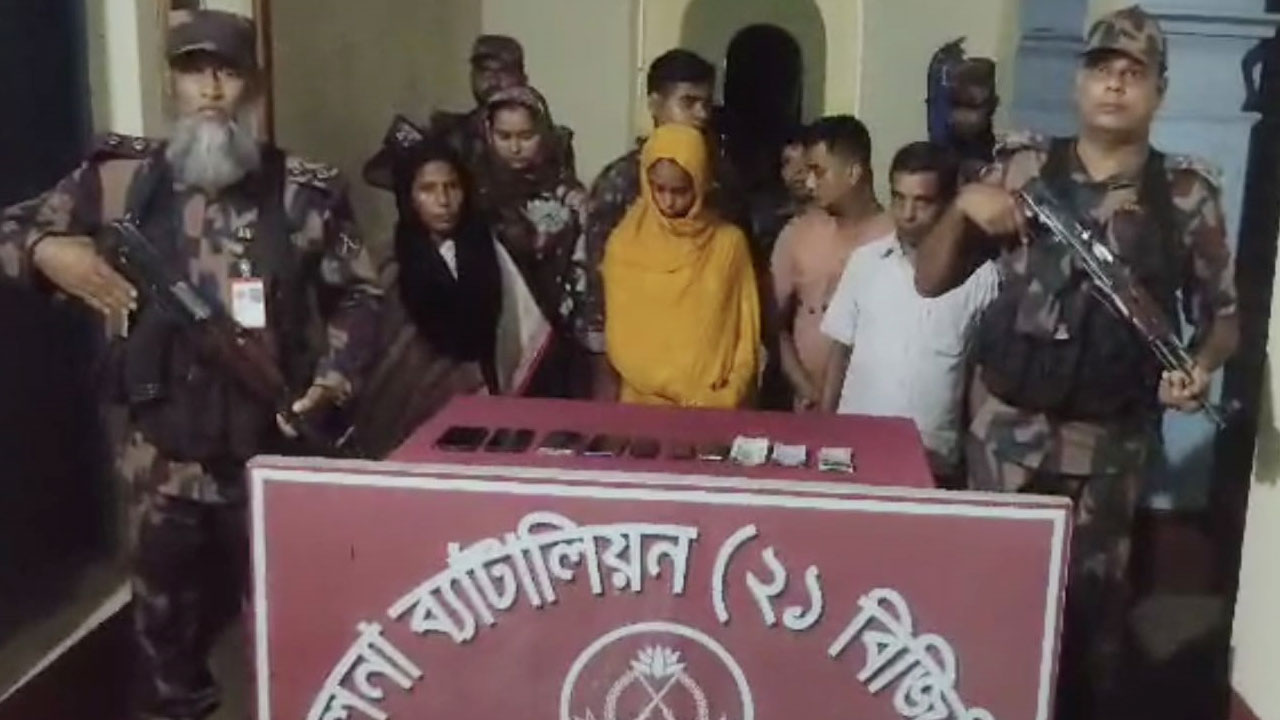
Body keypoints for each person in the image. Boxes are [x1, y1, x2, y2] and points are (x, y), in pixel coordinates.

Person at [0, 10, 382, 719]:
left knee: (290, 620)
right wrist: (49, 252)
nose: (210, 88)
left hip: (269, 445)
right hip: (158, 453)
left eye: (227, 72)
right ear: (170, 83)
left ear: (251, 85)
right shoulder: (119, 182)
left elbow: (358, 295)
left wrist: (334, 379)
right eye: (192, 70)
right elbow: (13, 227)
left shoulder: (302, 190)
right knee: (163, 628)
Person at [913, 6, 1238, 717]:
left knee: (1092, 634)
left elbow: (1223, 319)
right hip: (1004, 439)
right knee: (987, 609)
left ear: (1159, 91)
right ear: (1078, 82)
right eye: (1101, 69)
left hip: (1108, 451)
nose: (1115, 85)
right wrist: (964, 205)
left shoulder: (1186, 196)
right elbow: (929, 281)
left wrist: (1201, 365)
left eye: (1133, 73)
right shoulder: (1021, 168)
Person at [347, 119, 548, 458]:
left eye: (452, 187)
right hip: (400, 418)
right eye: (427, 189)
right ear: (408, 196)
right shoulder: (385, 262)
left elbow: (516, 335)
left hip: (479, 418)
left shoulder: (489, 253)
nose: (443, 200)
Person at [820, 142, 998, 486]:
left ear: (948, 204)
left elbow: (980, 380)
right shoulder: (865, 263)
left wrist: (978, 464)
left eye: (922, 202)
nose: (907, 213)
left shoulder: (981, 278)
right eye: (899, 199)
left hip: (933, 462)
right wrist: (823, 431)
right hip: (852, 453)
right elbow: (839, 353)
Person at [581, 49, 747, 398]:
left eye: (706, 104)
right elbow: (600, 287)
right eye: (688, 102)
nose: (701, 114)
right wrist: (604, 375)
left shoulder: (723, 179)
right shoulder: (621, 183)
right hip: (635, 370)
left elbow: (736, 286)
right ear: (655, 104)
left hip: (707, 373)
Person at [603, 124, 760, 408]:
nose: (668, 201)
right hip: (642, 408)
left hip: (714, 408)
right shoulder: (625, 245)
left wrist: (730, 394)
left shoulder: (728, 244)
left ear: (700, 183)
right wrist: (682, 393)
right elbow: (621, 341)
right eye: (658, 189)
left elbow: (746, 333)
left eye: (680, 191)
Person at [475, 84, 593, 398]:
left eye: (526, 136)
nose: (515, 147)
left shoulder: (569, 194)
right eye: (504, 136)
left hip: (563, 334)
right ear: (488, 135)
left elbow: (585, 262)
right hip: (500, 332)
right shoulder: (475, 195)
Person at [771, 116, 893, 410]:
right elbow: (772, 325)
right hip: (806, 407)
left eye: (819, 172)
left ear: (853, 173)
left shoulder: (894, 239)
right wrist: (802, 385)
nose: (809, 183)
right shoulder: (797, 234)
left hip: (873, 406)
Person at [428, 35, 577, 181]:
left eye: (504, 71)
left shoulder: (555, 143)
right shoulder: (452, 137)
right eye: (484, 71)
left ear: (523, 78)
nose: (493, 80)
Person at [928, 42, 1000, 184]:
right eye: (955, 104)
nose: (957, 117)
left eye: (970, 106)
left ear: (992, 106)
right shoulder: (945, 141)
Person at [748, 125, 811, 258]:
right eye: (787, 162)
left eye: (806, 160)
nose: (797, 170)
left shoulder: (835, 221)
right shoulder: (767, 223)